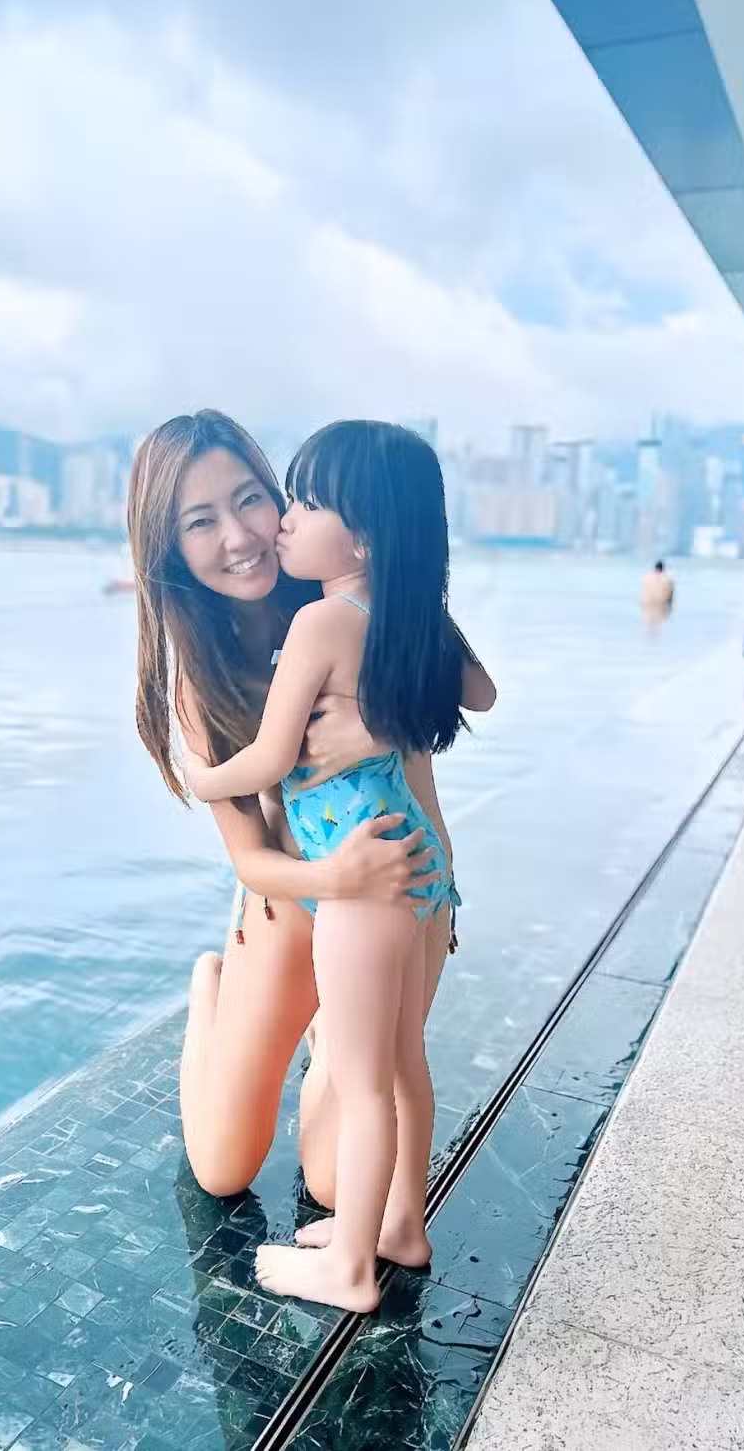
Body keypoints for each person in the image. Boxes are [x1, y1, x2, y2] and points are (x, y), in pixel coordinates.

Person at [127, 411, 496, 1218]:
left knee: (335, 1182)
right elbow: (250, 858)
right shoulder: (200, 675)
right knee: (222, 1169)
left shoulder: (348, 586)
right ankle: (213, 996)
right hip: (293, 894)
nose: (240, 537)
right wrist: (335, 876)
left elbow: (459, 700)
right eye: (200, 521)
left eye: (250, 500)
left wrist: (385, 726)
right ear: (169, 548)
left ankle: (330, 1033)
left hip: (396, 892)